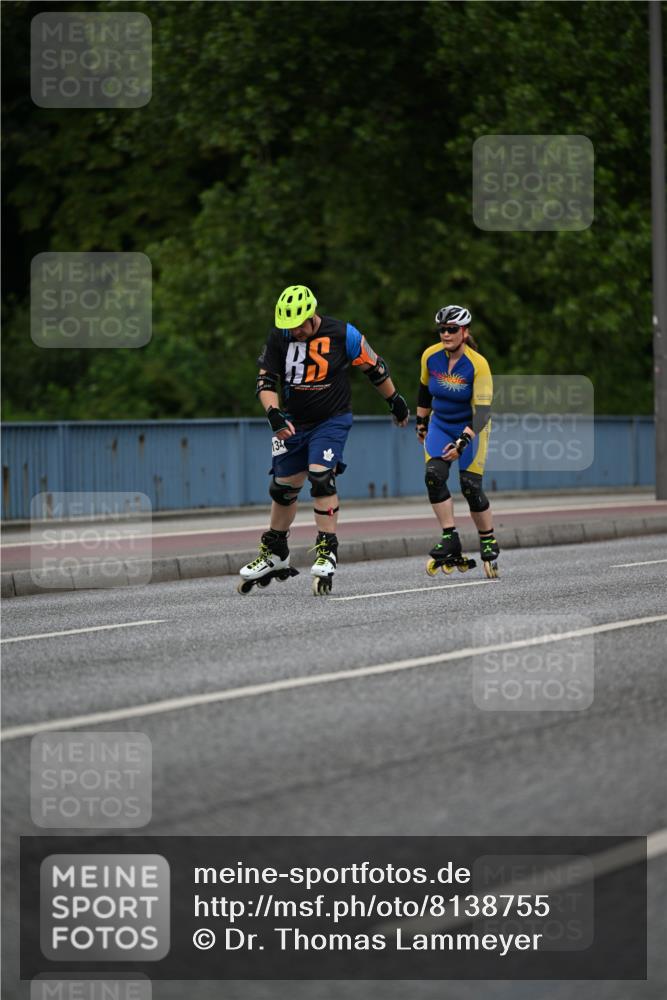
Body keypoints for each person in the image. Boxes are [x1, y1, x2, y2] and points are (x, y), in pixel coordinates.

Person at [238, 284, 409, 595]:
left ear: (312, 314)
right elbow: (265, 380)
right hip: (292, 422)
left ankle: (327, 548)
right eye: (290, 327)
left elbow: (376, 368)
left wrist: (394, 400)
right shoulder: (279, 337)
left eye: (300, 325)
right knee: (283, 486)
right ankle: (276, 551)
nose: (296, 332)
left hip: (332, 419)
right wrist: (273, 414)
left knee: (320, 477)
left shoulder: (344, 334)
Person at [416, 304, 500, 578]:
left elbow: (483, 412)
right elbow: (424, 392)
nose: (446, 334)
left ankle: (487, 538)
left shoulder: (478, 364)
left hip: (471, 426)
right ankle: (450, 537)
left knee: (470, 486)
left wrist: (463, 442)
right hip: (441, 424)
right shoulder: (430, 356)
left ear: (464, 332)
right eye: (442, 329)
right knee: (433, 476)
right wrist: (421, 422)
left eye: (452, 329)